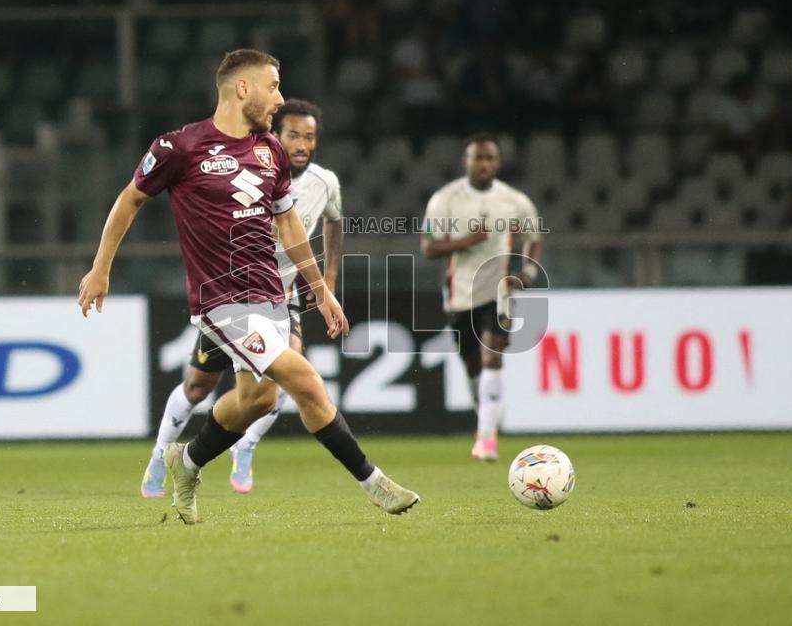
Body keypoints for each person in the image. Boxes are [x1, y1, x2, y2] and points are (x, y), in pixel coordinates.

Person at [79, 49, 418, 523]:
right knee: (305, 381)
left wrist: (320, 288)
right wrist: (101, 268)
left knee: (258, 400)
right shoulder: (181, 147)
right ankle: (374, 482)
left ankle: (187, 460)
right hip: (221, 302)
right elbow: (130, 199)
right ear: (243, 89)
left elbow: (290, 225)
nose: (279, 99)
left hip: (272, 297)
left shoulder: (270, 150)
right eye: (273, 86)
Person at [139, 98, 344, 497]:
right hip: (233, 300)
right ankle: (159, 455)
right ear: (275, 134)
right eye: (293, 135)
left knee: (286, 379)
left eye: (310, 137)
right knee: (197, 387)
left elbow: (334, 222)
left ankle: (246, 446)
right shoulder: (249, 169)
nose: (301, 144)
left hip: (282, 299)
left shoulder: (325, 183)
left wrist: (329, 276)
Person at [420, 134, 543, 461]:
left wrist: (527, 273)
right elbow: (429, 247)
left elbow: (534, 237)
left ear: (497, 163)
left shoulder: (514, 201)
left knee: (493, 357)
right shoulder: (445, 200)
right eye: (478, 158)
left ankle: (486, 439)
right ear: (467, 162)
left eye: (490, 159)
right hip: (460, 296)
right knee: (473, 365)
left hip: (498, 293)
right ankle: (485, 413)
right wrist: (467, 240)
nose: (484, 164)